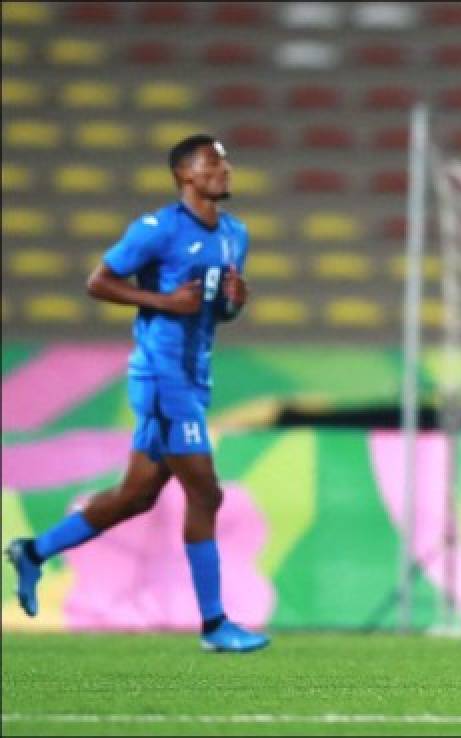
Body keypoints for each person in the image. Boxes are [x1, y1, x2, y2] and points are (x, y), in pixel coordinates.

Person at [5, 134, 269, 654]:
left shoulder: (235, 234)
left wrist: (234, 304)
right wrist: (161, 301)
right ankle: (215, 625)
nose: (225, 170)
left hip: (196, 376)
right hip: (160, 376)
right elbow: (99, 282)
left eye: (225, 162)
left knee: (137, 496)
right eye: (214, 163)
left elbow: (216, 307)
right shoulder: (157, 229)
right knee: (206, 492)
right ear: (186, 174)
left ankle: (34, 551)